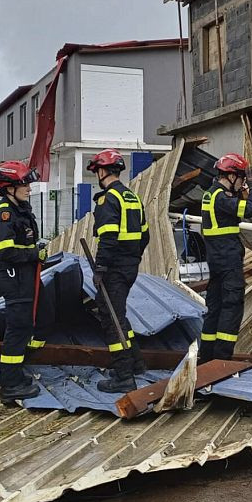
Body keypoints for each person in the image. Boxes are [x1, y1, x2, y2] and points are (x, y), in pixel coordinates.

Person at [84, 150, 151, 392]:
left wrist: (101, 268)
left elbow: (108, 237)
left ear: (102, 171)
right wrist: (132, 258)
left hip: (113, 268)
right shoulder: (131, 197)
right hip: (129, 266)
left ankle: (123, 376)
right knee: (119, 315)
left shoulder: (107, 199)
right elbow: (146, 235)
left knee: (111, 319)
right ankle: (136, 363)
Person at [0, 160, 46, 401]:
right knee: (17, 329)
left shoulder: (20, 209)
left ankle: (17, 374)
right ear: (10, 187)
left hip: (26, 276)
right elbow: (4, 251)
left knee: (26, 326)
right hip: (15, 278)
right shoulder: (4, 213)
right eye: (24, 184)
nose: (29, 188)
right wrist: (34, 254)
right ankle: (10, 385)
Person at [198, 153, 252, 363]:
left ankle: (206, 359)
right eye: (242, 178)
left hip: (216, 261)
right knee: (231, 308)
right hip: (228, 261)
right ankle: (222, 361)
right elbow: (251, 210)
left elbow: (229, 215)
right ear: (232, 176)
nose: (243, 182)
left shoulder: (212, 194)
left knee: (214, 308)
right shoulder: (221, 197)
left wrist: (240, 195)